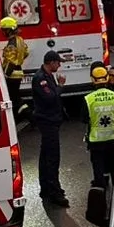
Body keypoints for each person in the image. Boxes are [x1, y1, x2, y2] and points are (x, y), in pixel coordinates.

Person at [32, 51, 69, 208]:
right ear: (51, 62)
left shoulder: (47, 76)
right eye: (58, 62)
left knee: (45, 156)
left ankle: (46, 188)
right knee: (52, 157)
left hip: (51, 120)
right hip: (47, 121)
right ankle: (55, 192)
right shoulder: (41, 78)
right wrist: (60, 86)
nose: (59, 65)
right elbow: (50, 98)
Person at [0, 17, 30, 117]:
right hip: (18, 73)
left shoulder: (11, 44)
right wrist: (19, 59)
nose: (3, 32)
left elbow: (11, 62)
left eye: (4, 30)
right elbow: (26, 52)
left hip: (12, 75)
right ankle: (26, 116)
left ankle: (30, 116)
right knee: (15, 97)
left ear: (9, 30)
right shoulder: (19, 40)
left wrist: (5, 75)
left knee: (13, 98)